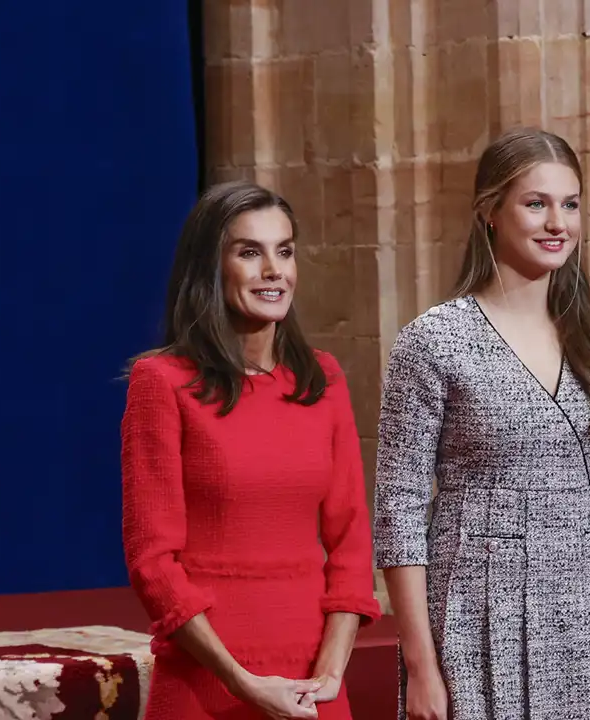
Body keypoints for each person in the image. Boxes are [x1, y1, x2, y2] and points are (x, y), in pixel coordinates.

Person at [373, 127, 590, 720]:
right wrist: (422, 666)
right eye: (536, 203)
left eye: (570, 204)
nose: (558, 222)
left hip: (589, 616)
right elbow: (398, 512)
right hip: (481, 610)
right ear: (490, 214)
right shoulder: (434, 340)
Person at [119, 180, 381, 720]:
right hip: (209, 686)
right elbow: (153, 563)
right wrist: (243, 682)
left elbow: (352, 542)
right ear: (209, 268)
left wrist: (329, 675)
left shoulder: (323, 379)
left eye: (284, 251)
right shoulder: (162, 382)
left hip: (314, 688)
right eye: (249, 252)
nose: (274, 271)